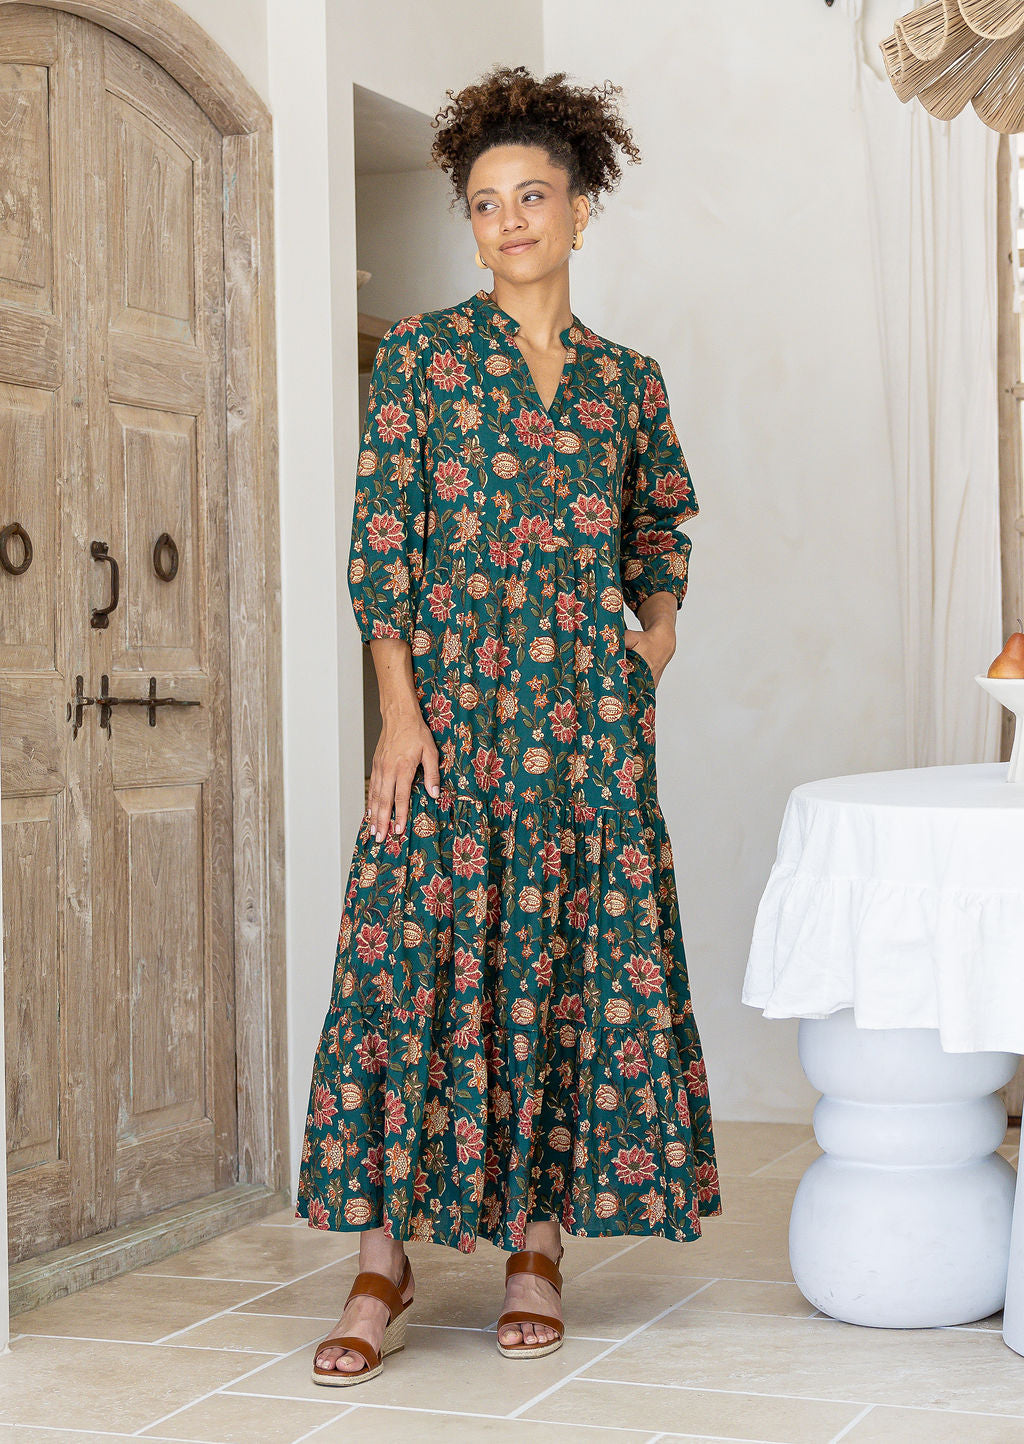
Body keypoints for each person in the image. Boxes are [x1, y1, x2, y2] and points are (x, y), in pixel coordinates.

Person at [295, 61, 721, 1387]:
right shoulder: (423, 361)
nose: (511, 221)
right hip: (452, 719)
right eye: (487, 203)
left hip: (585, 728)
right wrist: (397, 714)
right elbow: (382, 548)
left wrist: (654, 637)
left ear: (581, 209)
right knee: (403, 963)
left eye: (534, 196)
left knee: (568, 965)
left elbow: (663, 524)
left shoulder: (627, 383)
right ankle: (382, 1259)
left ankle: (537, 1247)